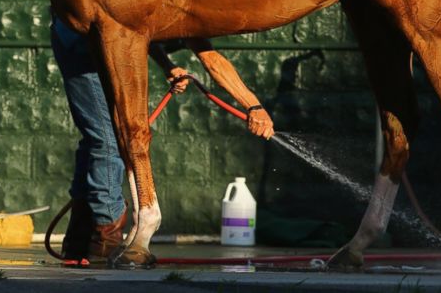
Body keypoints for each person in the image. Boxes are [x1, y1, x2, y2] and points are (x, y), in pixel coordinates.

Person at [51, 16, 274, 261]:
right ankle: (105, 237)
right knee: (108, 139)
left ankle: (79, 241)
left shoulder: (180, 10)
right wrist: (253, 107)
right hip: (83, 48)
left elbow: (139, 29)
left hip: (105, 40)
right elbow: (210, 61)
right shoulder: (180, 6)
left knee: (97, 139)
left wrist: (167, 65)